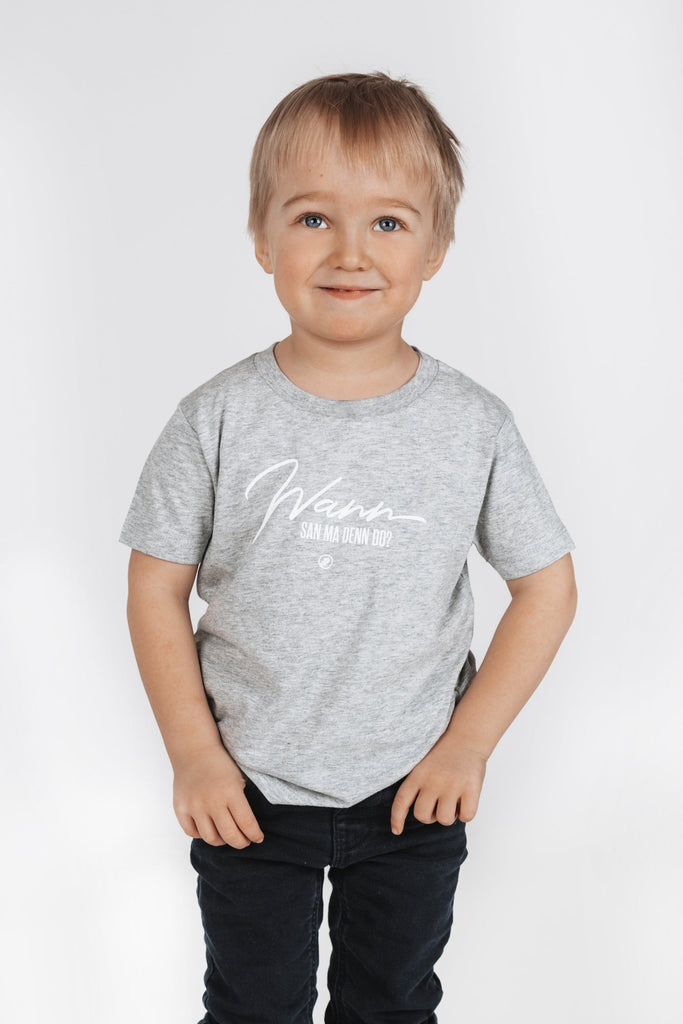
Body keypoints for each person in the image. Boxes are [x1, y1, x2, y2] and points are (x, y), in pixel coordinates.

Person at [119, 71, 578, 1024]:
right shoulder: (214, 417)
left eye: (388, 222)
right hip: (248, 792)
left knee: (391, 1005)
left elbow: (546, 587)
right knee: (252, 1008)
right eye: (313, 217)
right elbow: (155, 587)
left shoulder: (472, 425)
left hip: (413, 793)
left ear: (435, 247)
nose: (350, 252)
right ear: (262, 237)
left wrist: (468, 746)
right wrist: (195, 755)